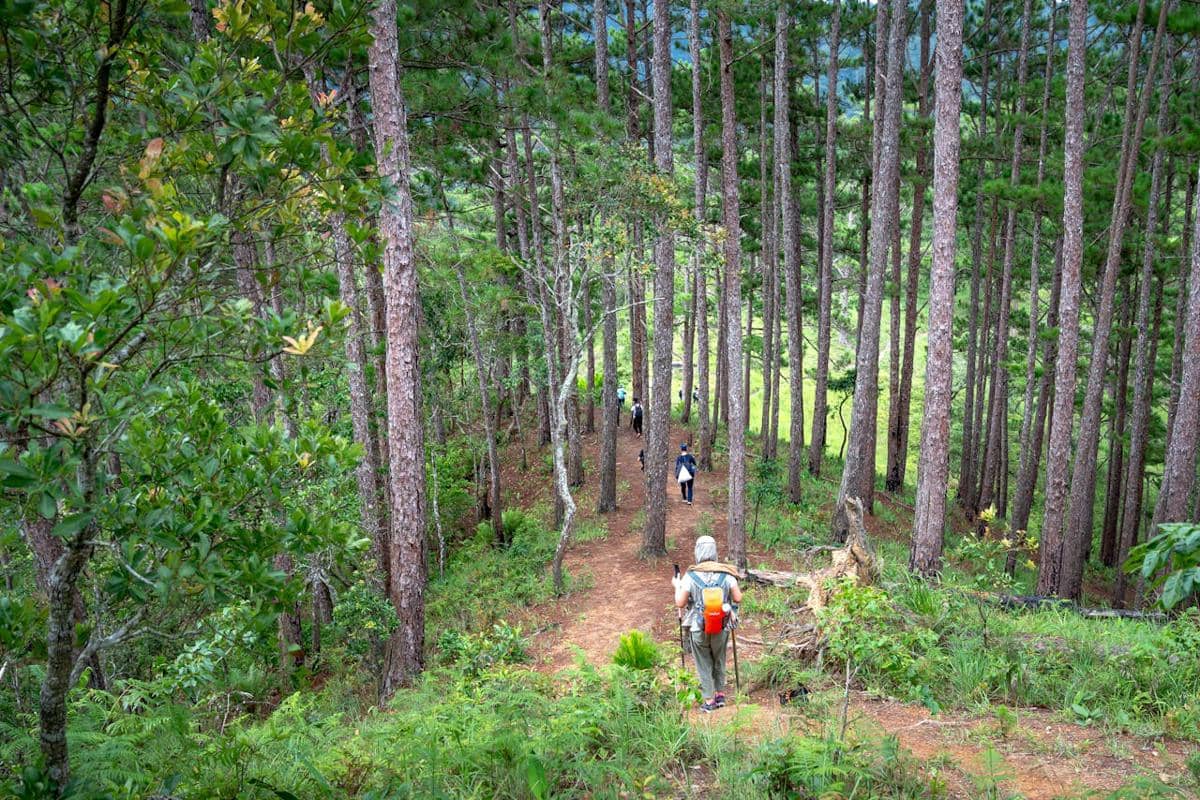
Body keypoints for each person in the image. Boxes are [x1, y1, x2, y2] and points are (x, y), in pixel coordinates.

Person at [672, 536, 742, 713]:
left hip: (698, 626)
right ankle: (720, 695)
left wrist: (677, 586)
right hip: (721, 625)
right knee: (719, 658)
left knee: (703, 661)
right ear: (714, 551)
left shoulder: (691, 576)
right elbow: (738, 597)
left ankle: (709, 700)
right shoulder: (726, 573)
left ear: (698, 551)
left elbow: (680, 602)